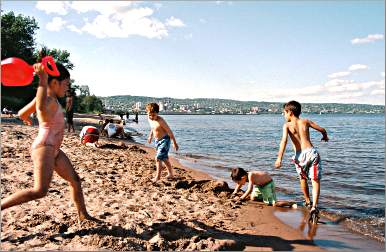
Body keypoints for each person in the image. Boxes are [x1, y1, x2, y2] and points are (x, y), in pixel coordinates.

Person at [1, 62, 96, 224]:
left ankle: (83, 215)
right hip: (44, 148)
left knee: (75, 180)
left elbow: (22, 112)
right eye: (66, 84)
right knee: (39, 191)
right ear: (53, 83)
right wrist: (42, 79)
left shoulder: (49, 99)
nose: (67, 88)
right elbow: (39, 104)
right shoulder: (46, 99)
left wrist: (27, 118)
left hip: (54, 149)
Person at [275, 100, 328, 219]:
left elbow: (284, 141)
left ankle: (308, 201)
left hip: (299, 157)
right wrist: (325, 137)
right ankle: (314, 206)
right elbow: (322, 130)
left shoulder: (287, 126)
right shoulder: (305, 121)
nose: (284, 115)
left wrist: (279, 159)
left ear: (290, 113)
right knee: (315, 181)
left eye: (284, 113)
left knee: (303, 178)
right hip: (311, 153)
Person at [230, 167, 296, 207]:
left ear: (243, 178)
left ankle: (290, 203)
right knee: (253, 198)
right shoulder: (244, 177)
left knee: (273, 204)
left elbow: (249, 189)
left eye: (238, 182)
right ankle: (264, 196)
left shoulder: (250, 175)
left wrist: (241, 198)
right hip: (259, 185)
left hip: (268, 185)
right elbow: (239, 185)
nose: (238, 184)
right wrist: (235, 192)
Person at [146, 103, 179, 182]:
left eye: (153, 115)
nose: (151, 117)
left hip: (165, 140)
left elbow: (170, 132)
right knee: (164, 158)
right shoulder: (150, 119)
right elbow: (152, 128)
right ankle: (171, 174)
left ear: (157, 113)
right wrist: (150, 136)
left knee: (158, 158)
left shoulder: (161, 121)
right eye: (149, 115)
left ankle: (157, 177)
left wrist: (174, 143)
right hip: (157, 141)